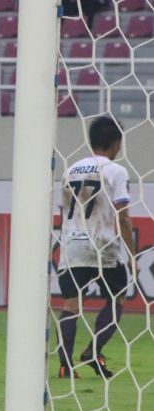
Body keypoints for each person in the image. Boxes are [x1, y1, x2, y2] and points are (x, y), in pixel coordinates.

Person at [55, 116, 135, 380]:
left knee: (70, 305)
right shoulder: (116, 170)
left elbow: (63, 210)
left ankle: (65, 365)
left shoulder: (70, 169)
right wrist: (132, 254)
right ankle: (93, 350)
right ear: (116, 142)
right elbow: (123, 216)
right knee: (117, 297)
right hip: (101, 243)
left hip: (71, 245)